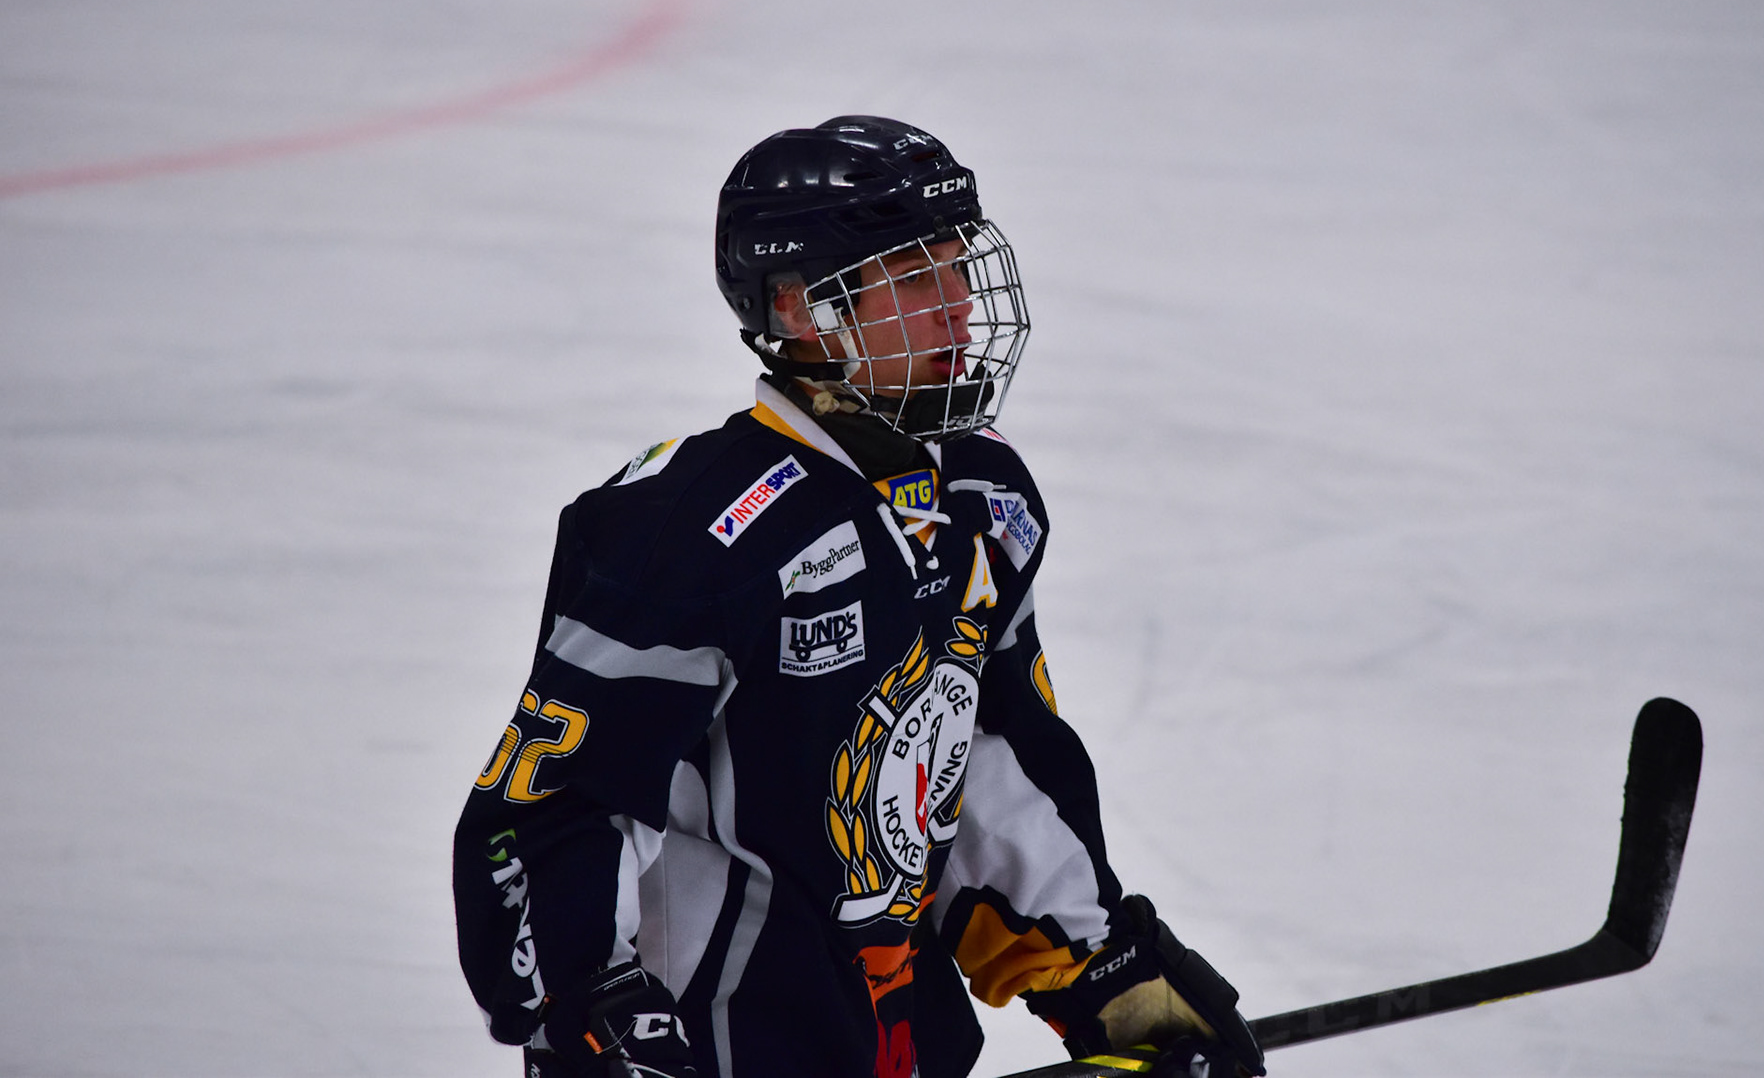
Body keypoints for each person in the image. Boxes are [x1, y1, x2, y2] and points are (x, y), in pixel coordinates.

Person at [453, 117, 1265, 1078]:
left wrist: (1099, 969)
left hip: (894, 1040)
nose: (960, 309)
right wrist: (597, 1020)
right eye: (916, 279)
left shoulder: (979, 496)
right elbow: (552, 809)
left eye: (958, 268)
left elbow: (977, 757)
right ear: (801, 308)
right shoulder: (691, 531)